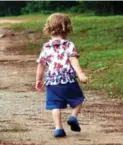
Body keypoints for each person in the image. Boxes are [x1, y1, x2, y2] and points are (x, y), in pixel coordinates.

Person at [36, 13, 88, 137]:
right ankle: (73, 116)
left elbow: (41, 65)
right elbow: (73, 60)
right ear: (67, 28)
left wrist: (38, 79)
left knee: (55, 105)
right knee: (79, 100)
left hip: (53, 82)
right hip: (68, 80)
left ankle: (58, 128)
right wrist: (80, 73)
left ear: (48, 28)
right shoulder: (68, 45)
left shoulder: (46, 47)